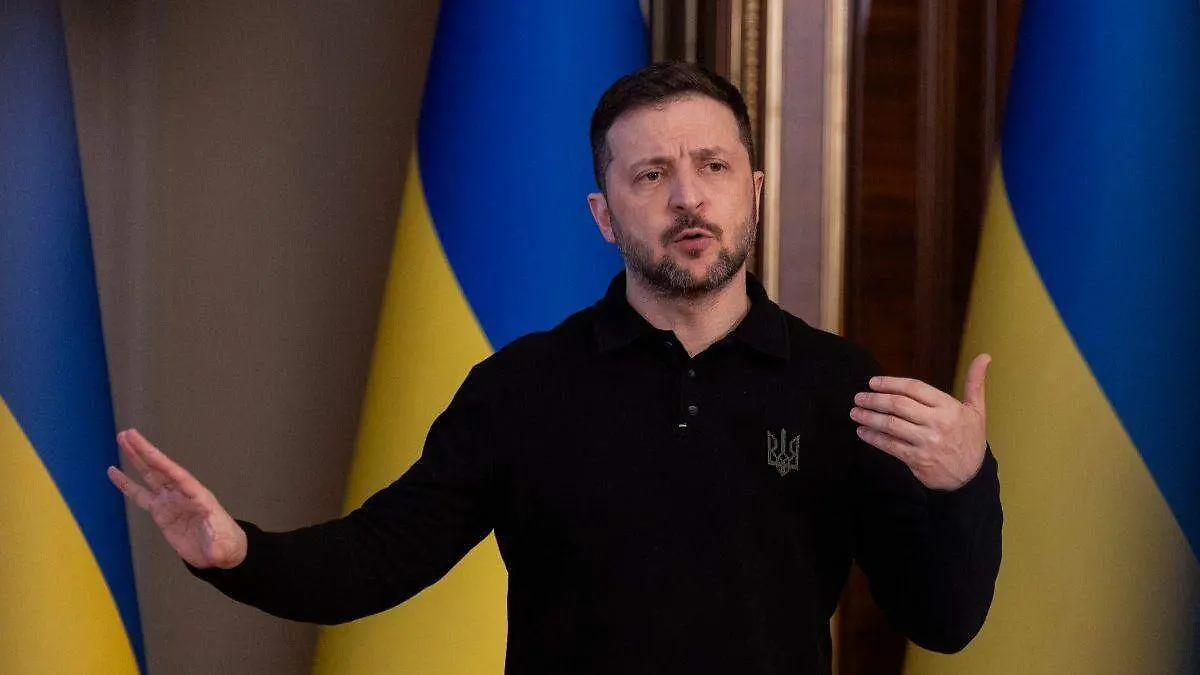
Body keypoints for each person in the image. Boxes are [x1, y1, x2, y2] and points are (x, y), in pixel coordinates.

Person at [109, 61, 1001, 675]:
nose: (688, 197)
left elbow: (943, 621)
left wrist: (965, 483)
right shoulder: (523, 388)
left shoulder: (840, 385)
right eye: (650, 175)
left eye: (713, 166)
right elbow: (379, 557)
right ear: (604, 215)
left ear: (754, 193)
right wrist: (239, 552)